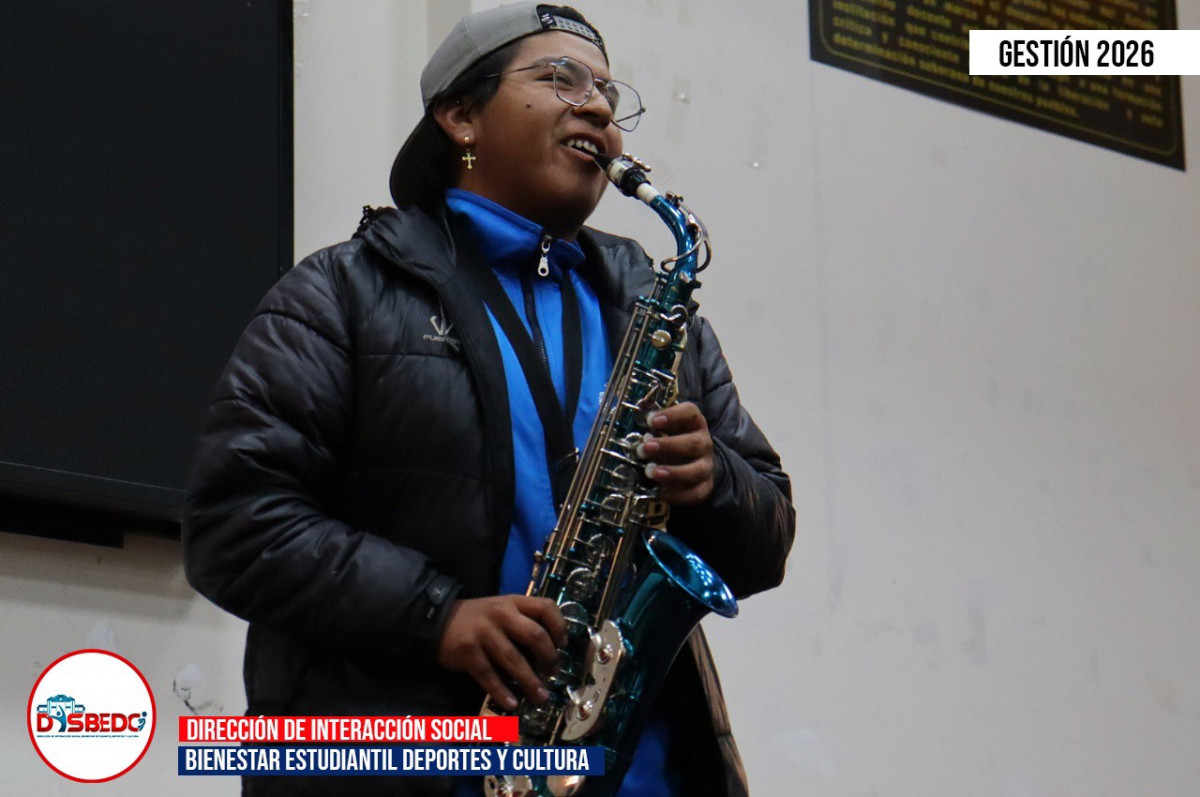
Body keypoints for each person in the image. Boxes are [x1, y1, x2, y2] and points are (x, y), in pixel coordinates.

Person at [183, 4, 794, 796]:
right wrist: (437, 615)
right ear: (460, 115)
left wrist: (714, 481)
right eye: (559, 78)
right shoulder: (339, 292)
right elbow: (236, 522)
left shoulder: (656, 306)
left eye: (609, 91)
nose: (599, 107)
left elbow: (768, 534)